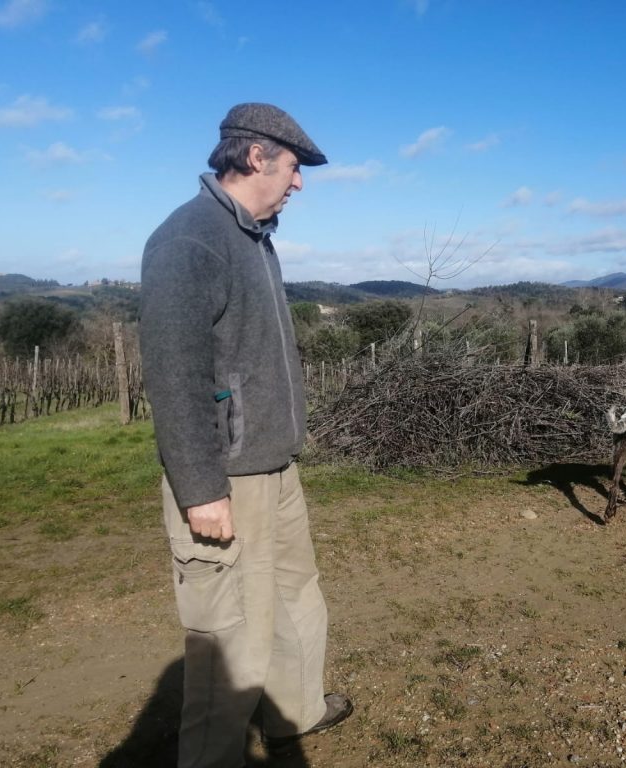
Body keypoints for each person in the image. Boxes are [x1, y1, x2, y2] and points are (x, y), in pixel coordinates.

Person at [140, 102, 352, 768]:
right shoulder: (189, 240)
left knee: (296, 602)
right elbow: (176, 379)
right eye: (293, 167)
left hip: (275, 469)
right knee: (229, 644)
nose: (299, 183)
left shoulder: (255, 238)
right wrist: (201, 489)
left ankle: (298, 713)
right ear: (255, 156)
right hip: (226, 482)